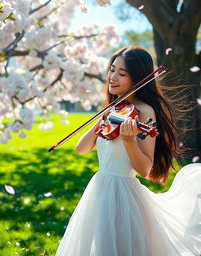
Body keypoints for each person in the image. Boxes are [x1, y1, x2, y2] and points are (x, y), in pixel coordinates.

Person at [55, 46, 201, 256]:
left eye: (121, 74)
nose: (112, 77)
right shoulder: (114, 110)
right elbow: (81, 148)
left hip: (122, 193)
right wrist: (103, 117)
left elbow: (144, 169)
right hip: (99, 187)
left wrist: (129, 141)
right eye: (112, 70)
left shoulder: (144, 112)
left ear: (138, 78)